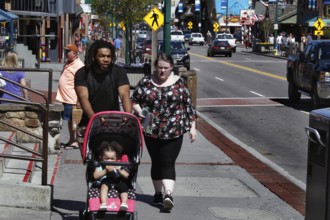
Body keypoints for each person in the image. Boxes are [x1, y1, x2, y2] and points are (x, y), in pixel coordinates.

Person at [131, 53, 197, 211]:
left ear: (171, 68)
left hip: (174, 129)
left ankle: (168, 194)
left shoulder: (179, 83)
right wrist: (141, 112)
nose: (162, 71)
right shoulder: (146, 81)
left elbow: (188, 106)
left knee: (167, 161)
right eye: (160, 68)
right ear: (155, 67)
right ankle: (157, 193)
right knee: (156, 161)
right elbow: (134, 101)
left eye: (165, 68)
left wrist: (192, 128)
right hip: (151, 128)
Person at [75, 40, 132, 128]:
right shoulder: (82, 73)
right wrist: (95, 119)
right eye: (101, 56)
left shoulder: (119, 72)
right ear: (94, 57)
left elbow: (124, 95)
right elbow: (83, 98)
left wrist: (128, 116)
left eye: (108, 56)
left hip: (114, 121)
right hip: (90, 120)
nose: (106, 59)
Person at [56, 44, 85, 149]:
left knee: (75, 121)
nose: (66, 53)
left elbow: (81, 84)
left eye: (68, 51)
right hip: (67, 98)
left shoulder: (79, 65)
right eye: (65, 51)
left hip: (73, 99)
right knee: (69, 120)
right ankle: (71, 139)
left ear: (74, 53)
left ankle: (76, 141)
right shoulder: (69, 63)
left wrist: (79, 99)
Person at [93, 141, 130, 211]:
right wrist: (105, 171)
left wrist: (120, 171)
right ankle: (103, 203)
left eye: (112, 158)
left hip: (118, 181)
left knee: (124, 186)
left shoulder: (119, 165)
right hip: (106, 181)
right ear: (101, 158)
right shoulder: (100, 166)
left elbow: (127, 176)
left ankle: (124, 203)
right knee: (104, 186)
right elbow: (95, 176)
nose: (109, 161)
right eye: (106, 158)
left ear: (116, 158)